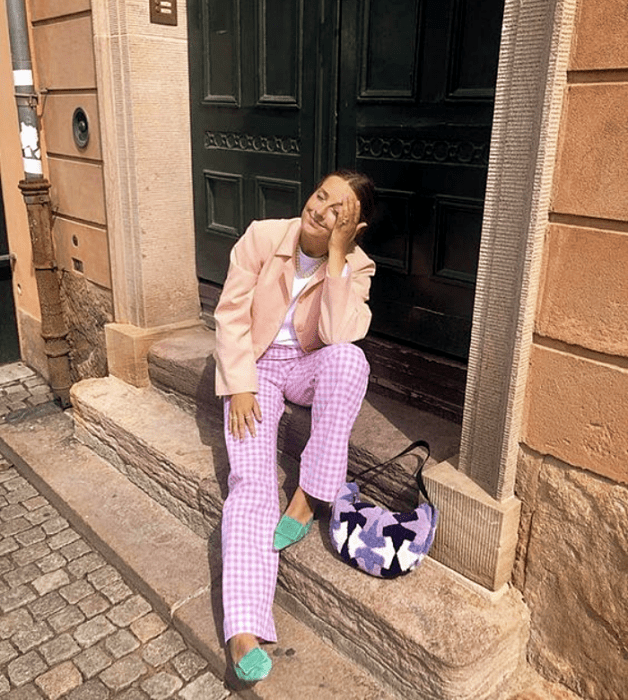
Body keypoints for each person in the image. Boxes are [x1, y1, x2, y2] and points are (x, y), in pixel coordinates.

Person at [214, 170, 376, 683]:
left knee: (351, 361)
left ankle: (311, 495)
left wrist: (336, 260)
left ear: (353, 227)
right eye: (321, 195)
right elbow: (231, 314)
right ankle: (243, 628)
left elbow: (337, 334)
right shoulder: (263, 236)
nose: (321, 209)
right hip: (256, 369)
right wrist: (239, 383)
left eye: (337, 211)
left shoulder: (358, 266)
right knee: (252, 483)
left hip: (307, 368)